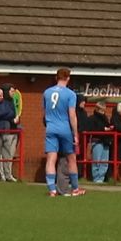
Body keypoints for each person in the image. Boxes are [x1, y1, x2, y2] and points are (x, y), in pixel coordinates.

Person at [42, 68, 85, 197]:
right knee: (71, 158)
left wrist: (48, 124)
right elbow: (72, 115)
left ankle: (52, 190)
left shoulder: (47, 92)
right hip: (64, 128)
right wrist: (75, 133)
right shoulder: (70, 94)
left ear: (56, 77)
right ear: (68, 78)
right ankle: (76, 188)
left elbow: (44, 114)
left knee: (51, 158)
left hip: (51, 128)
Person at [83, 102, 112, 184]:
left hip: (105, 141)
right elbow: (91, 128)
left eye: (104, 110)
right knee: (97, 160)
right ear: (97, 109)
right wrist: (103, 129)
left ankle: (101, 178)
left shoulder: (105, 118)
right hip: (97, 141)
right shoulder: (92, 118)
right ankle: (96, 179)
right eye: (101, 110)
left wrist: (109, 128)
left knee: (105, 161)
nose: (103, 112)